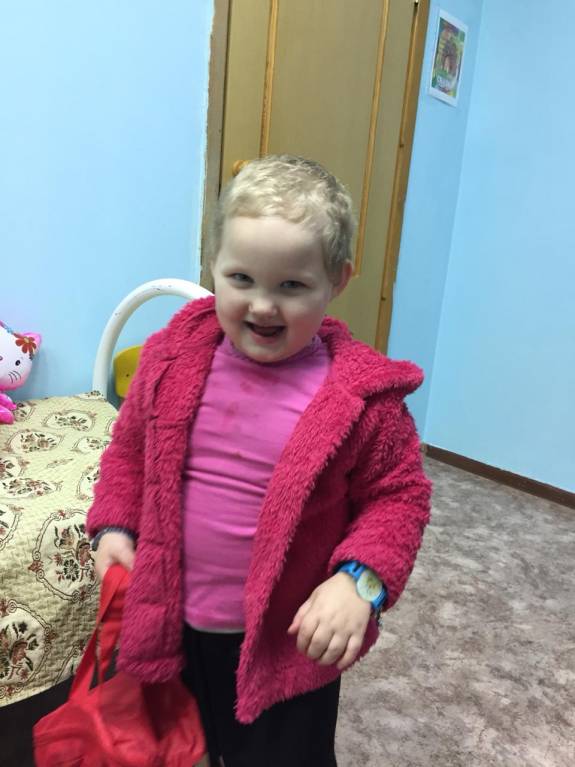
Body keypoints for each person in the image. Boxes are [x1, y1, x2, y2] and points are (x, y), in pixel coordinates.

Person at [87, 154, 432, 767]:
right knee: (179, 751)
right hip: (170, 626)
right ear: (213, 265)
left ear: (338, 281)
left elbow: (399, 497)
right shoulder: (168, 359)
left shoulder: (363, 400)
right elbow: (129, 452)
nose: (263, 306)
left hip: (286, 645)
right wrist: (115, 526)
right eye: (241, 279)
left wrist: (359, 583)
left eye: (291, 286)